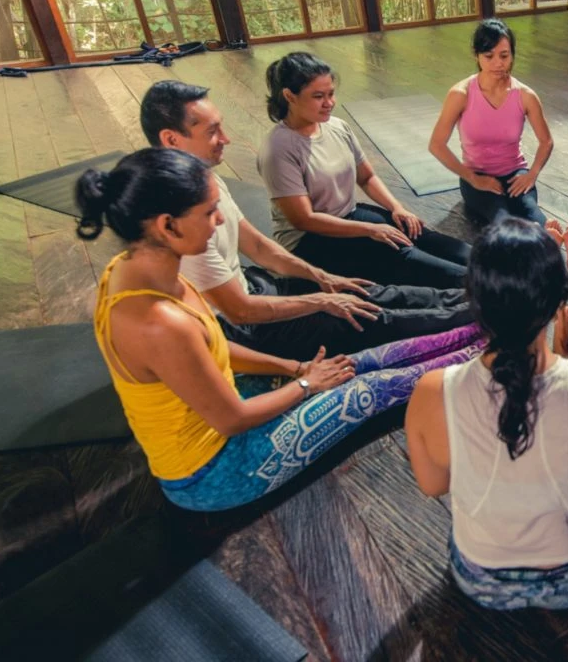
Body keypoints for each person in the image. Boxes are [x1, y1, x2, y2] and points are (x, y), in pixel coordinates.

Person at [77, 148, 483, 512]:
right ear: (168, 225)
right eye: (208, 212)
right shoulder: (159, 322)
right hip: (214, 472)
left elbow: (213, 348)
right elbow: (232, 419)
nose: (219, 220)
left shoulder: (134, 269)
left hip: (224, 405)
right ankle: (486, 354)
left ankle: (483, 331)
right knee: (369, 390)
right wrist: (307, 386)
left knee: (350, 363)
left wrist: (296, 368)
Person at [141, 80, 472, 360]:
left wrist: (324, 279)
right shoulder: (176, 218)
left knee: (369, 292)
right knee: (373, 319)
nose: (226, 138)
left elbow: (257, 245)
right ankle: (492, 311)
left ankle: (480, 296)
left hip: (259, 287)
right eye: (213, 131)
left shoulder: (204, 180)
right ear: (171, 139)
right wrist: (322, 301)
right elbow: (240, 310)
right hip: (244, 326)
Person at [405, 218, 568, 610]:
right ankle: (562, 348)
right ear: (559, 300)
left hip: (479, 578)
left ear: (474, 302)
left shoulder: (431, 391)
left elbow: (433, 486)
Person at [258, 52, 472, 288]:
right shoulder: (278, 149)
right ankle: (486, 283)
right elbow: (304, 219)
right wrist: (369, 229)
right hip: (309, 240)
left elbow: (367, 176)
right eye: (318, 96)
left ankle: (499, 263)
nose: (329, 103)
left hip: (349, 216)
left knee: (419, 233)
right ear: (289, 96)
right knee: (402, 253)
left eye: (331, 94)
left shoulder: (337, 127)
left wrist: (397, 208)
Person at [428, 19, 555, 226]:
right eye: (489, 56)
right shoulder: (461, 94)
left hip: (515, 174)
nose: (498, 63)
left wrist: (532, 174)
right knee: (503, 222)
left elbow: (546, 141)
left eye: (504, 56)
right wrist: (473, 178)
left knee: (537, 221)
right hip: (476, 176)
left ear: (512, 54)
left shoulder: (525, 96)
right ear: (476, 55)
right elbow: (436, 144)